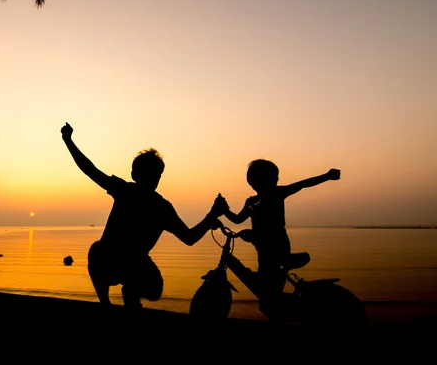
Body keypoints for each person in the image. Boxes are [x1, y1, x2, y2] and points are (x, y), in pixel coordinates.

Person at [61, 122, 228, 309]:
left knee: (101, 253)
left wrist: (68, 140)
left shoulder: (135, 194)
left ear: (134, 174)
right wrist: (211, 215)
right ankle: (112, 301)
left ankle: (116, 299)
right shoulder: (147, 200)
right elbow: (189, 238)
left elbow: (90, 170)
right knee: (100, 251)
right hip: (119, 262)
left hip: (127, 264)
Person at [218, 159, 341, 316]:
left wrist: (326, 176)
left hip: (277, 248)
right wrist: (225, 210)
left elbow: (302, 184)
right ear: (254, 180)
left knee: (269, 297)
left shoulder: (276, 193)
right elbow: (237, 219)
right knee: (267, 291)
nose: (277, 180)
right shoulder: (251, 202)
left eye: (276, 177)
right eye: (274, 177)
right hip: (263, 250)